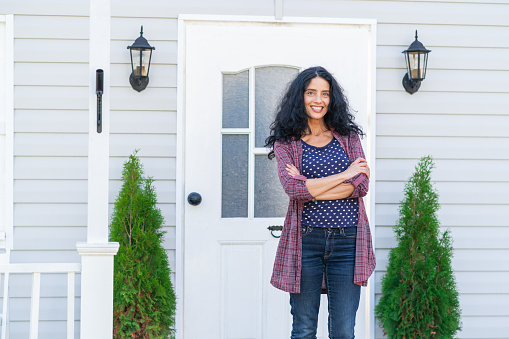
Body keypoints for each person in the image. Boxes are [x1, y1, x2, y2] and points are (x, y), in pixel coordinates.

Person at [265, 66, 376, 339]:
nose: (319, 100)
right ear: (299, 97)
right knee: (303, 329)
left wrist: (310, 185)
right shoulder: (287, 143)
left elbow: (361, 186)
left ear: (332, 98)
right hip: (306, 241)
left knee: (343, 332)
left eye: (325, 94)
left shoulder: (348, 138)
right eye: (311, 92)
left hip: (348, 240)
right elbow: (294, 189)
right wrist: (345, 175)